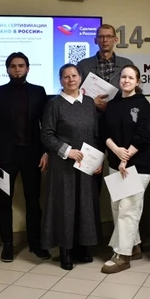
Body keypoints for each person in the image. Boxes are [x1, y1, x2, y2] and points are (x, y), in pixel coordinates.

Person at [0, 52, 51, 262]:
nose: (17, 69)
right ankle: (7, 244)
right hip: (4, 157)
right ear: (7, 69)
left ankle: (35, 243)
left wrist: (45, 151)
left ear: (28, 68)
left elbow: (46, 126)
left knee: (33, 200)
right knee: (4, 202)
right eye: (13, 66)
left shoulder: (39, 92)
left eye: (21, 66)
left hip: (32, 155)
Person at [40, 64, 101, 270]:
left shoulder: (89, 103)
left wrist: (97, 160)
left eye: (74, 75)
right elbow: (47, 135)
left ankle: (82, 248)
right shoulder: (54, 104)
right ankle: (65, 251)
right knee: (65, 207)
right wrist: (68, 151)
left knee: (84, 205)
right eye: (66, 77)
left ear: (80, 78)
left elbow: (95, 134)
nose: (71, 79)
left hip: (85, 165)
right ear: (60, 81)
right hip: (63, 165)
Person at [101, 65, 150, 274]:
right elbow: (104, 132)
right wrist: (117, 151)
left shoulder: (143, 104)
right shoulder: (112, 105)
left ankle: (122, 255)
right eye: (123, 77)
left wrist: (127, 155)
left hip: (138, 165)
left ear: (138, 81)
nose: (126, 80)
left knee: (128, 209)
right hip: (116, 163)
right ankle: (134, 246)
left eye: (131, 78)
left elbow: (144, 134)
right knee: (117, 207)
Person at [77, 24, 134, 111]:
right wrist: (91, 102)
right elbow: (74, 93)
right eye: (101, 37)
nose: (105, 40)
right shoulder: (83, 65)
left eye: (109, 36)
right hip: (91, 116)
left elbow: (134, 94)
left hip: (120, 115)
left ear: (115, 40)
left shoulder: (127, 64)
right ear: (95, 40)